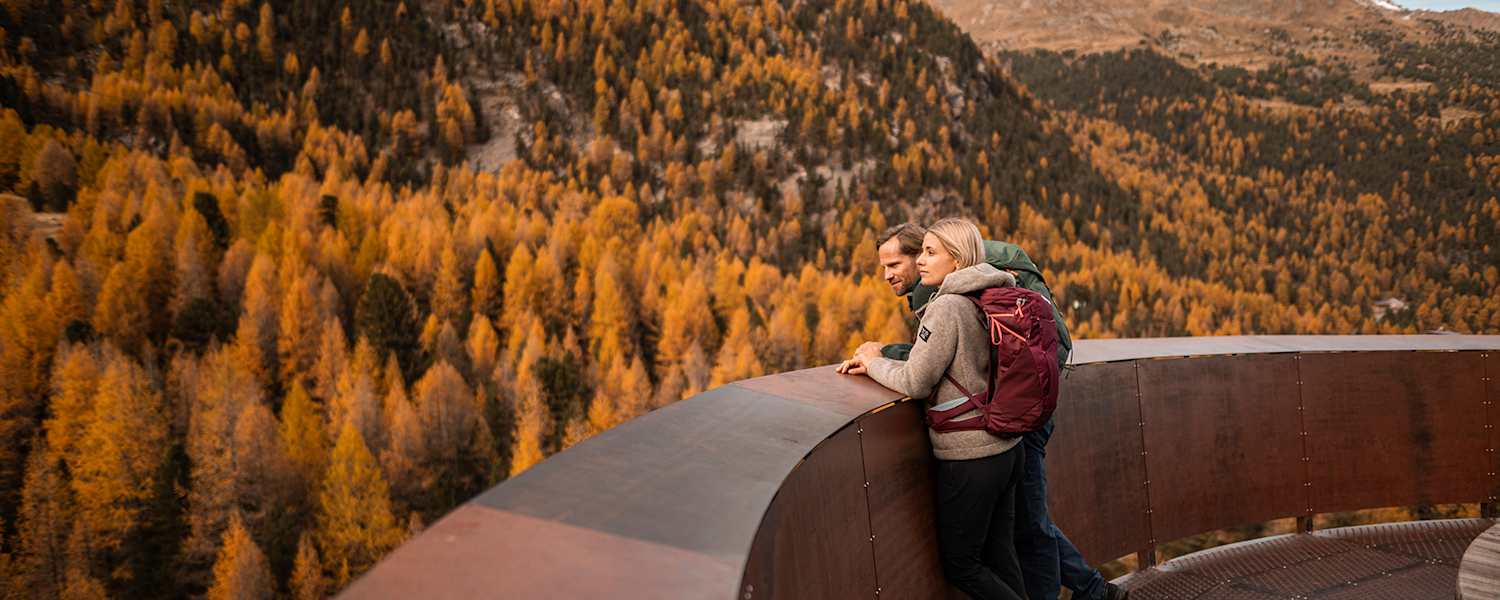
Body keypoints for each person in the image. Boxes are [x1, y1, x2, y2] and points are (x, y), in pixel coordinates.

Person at [860, 222, 1127, 600]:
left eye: (899, 262)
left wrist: (876, 359)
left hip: (993, 432)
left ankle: (1091, 591)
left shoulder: (945, 299)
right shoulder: (986, 283)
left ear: (945, 255)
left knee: (1018, 533)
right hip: (1012, 422)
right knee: (1015, 536)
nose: (890, 274)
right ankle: (1094, 588)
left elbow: (923, 374)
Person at [838, 218, 1027, 600]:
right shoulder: (989, 292)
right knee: (1001, 555)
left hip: (970, 455)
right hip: (1006, 449)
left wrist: (874, 363)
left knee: (963, 566)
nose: (920, 261)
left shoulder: (947, 307)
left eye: (929, 252)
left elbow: (916, 381)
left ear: (956, 260)